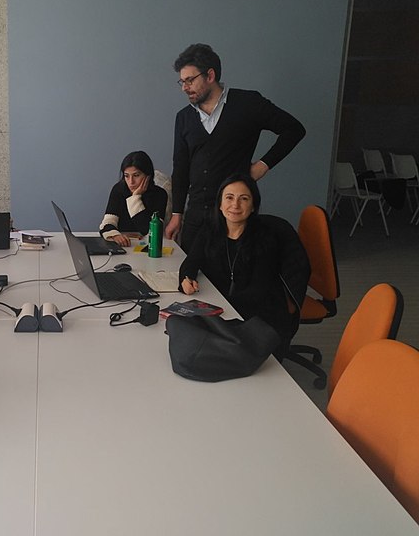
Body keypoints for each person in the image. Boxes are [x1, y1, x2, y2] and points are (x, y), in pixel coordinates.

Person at [166, 43, 306, 252]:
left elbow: (294, 129)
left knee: (233, 269)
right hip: (196, 216)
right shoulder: (184, 117)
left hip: (235, 217)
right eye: (182, 81)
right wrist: (177, 214)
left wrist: (262, 166)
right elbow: (180, 168)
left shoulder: (248, 104)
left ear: (210, 75)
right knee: (190, 269)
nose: (184, 87)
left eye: (190, 80)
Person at [178, 174, 310, 357]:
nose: (235, 205)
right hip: (222, 310)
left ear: (253, 205)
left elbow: (257, 292)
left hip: (256, 318)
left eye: (244, 199)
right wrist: (186, 279)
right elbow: (191, 262)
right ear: (220, 204)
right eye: (229, 197)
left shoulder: (265, 238)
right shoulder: (210, 229)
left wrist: (218, 313)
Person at [99, 151, 168, 247]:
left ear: (148, 176)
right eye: (126, 176)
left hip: (149, 246)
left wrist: (135, 198)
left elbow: (151, 231)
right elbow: (107, 222)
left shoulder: (160, 194)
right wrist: (115, 235)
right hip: (123, 245)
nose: (131, 182)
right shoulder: (118, 190)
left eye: (136, 175)